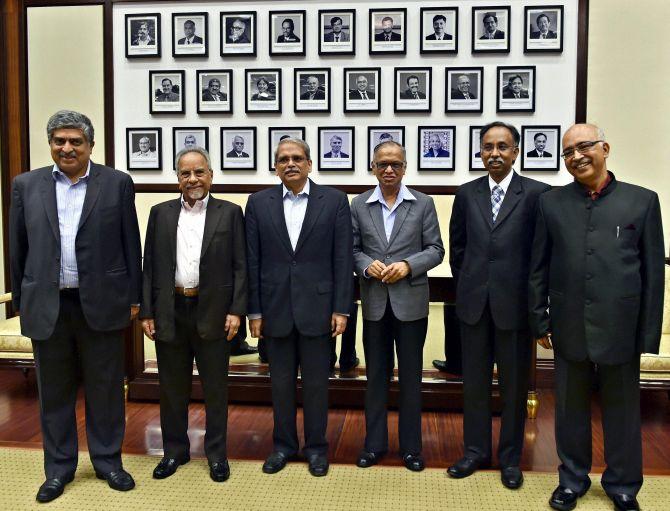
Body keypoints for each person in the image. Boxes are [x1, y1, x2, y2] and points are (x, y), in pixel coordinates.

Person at [529, 124, 665, 511]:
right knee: (569, 410)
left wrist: (648, 335)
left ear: (605, 148)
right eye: (568, 152)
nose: (576, 156)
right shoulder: (551, 203)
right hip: (568, 324)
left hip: (621, 327)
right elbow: (538, 266)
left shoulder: (642, 201)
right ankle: (572, 480)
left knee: (622, 411)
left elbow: (654, 274)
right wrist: (540, 319)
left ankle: (622, 485)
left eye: (584, 147)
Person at [9, 110, 142, 502]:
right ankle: (59, 469)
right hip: (48, 305)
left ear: (90, 145)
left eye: (75, 141)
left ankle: (108, 462)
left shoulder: (116, 184)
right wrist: (21, 299)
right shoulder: (26, 185)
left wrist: (133, 298)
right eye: (59, 141)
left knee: (105, 389)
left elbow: (130, 244)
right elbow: (18, 249)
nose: (66, 148)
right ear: (50, 144)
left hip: (101, 304)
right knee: (54, 392)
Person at [447, 121, 551, 490]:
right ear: (480, 151)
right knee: (473, 385)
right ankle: (475, 451)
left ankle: (510, 459)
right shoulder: (466, 193)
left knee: (513, 387)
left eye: (502, 147)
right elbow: (458, 249)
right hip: (474, 305)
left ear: (515, 151)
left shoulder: (538, 194)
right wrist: (471, 284)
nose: (494, 153)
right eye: (488, 146)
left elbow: (542, 255)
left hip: (516, 307)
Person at [246, 138, 353, 478]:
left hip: (319, 309)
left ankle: (317, 448)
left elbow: (342, 258)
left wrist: (342, 309)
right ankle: (282, 446)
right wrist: (255, 311)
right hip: (274, 309)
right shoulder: (258, 203)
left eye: (296, 158)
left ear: (309, 163)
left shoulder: (334, 201)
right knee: (279, 384)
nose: (289, 163)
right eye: (282, 159)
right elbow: (252, 261)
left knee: (317, 385)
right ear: (275, 166)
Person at [140, 146, 247, 483]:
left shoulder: (230, 213)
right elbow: (149, 268)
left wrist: (236, 311)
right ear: (177, 179)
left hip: (214, 312)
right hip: (170, 309)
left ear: (211, 175)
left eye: (199, 172)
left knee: (216, 388)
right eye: (185, 173)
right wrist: (147, 311)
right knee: (172, 388)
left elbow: (241, 267)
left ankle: (217, 455)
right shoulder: (160, 213)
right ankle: (174, 451)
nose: (192, 179)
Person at [352, 140, 444, 472]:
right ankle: (373, 445)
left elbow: (436, 249)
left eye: (396, 164)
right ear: (372, 167)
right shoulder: (359, 204)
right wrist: (365, 265)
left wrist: (408, 265)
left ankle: (412, 449)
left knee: (410, 379)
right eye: (382, 164)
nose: (389, 170)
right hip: (375, 304)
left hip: (411, 304)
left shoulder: (422, 203)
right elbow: (352, 248)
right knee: (375, 377)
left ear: (405, 167)